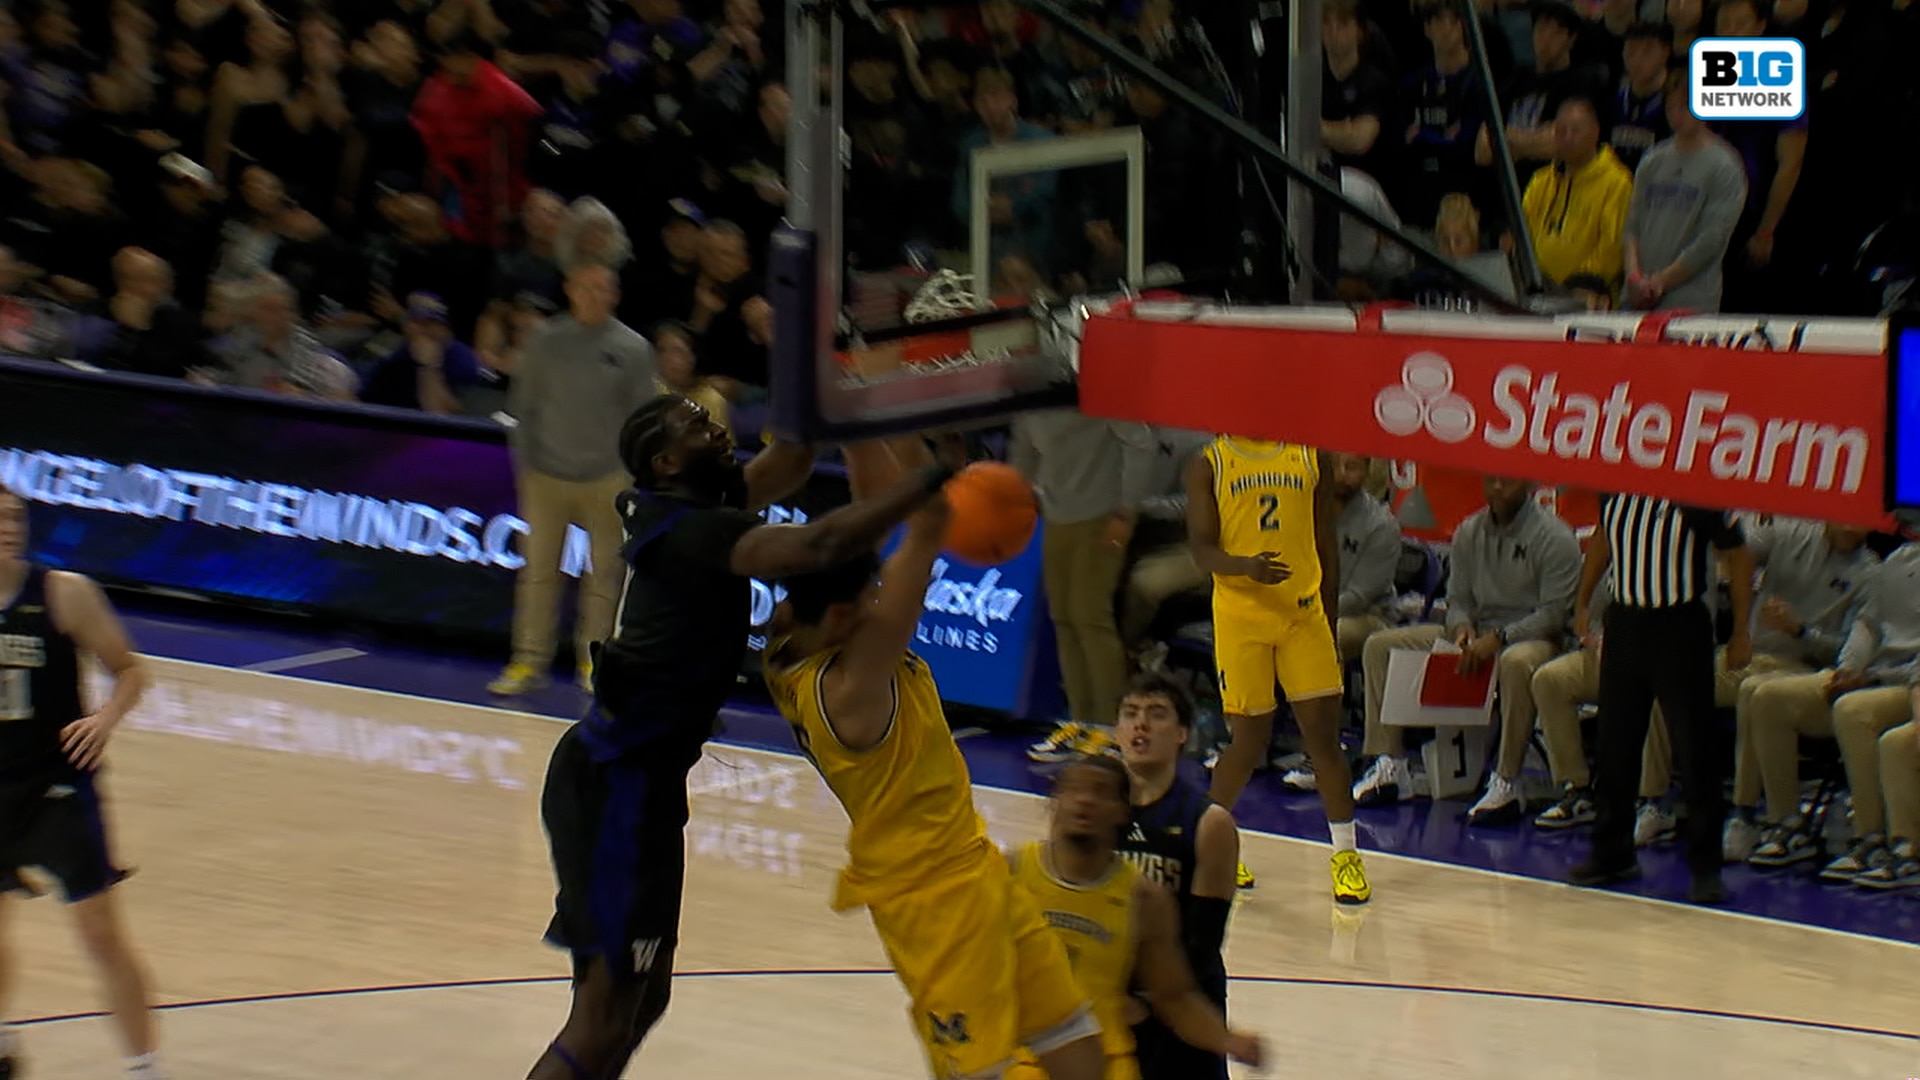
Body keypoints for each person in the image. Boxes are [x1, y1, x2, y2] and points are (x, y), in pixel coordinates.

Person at [526, 396, 957, 1080]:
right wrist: (930, 478)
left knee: (643, 1000)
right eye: (697, 426)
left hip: (643, 785)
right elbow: (817, 545)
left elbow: (790, 460)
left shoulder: (695, 497)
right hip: (617, 785)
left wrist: (816, 379)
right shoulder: (689, 531)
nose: (716, 429)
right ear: (665, 460)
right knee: (606, 1014)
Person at [763, 435, 1107, 1080]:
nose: (879, 597)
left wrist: (858, 422)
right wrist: (923, 441)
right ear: (843, 614)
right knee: (976, 1069)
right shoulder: (854, 682)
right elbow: (923, 532)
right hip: (930, 899)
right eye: (870, 593)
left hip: (969, 865)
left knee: (1070, 1029)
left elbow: (878, 516)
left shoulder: (791, 629)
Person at [0, 484, 167, 1080]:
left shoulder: (64, 594)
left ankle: (145, 1066)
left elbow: (129, 669)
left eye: (15, 515)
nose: (8, 525)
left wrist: (104, 718)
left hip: (58, 786)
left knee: (99, 933)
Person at [1186, 435, 1367, 900]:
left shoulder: (1312, 454)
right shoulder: (1210, 463)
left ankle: (1346, 856)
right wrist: (1246, 566)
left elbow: (1325, 540)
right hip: (1241, 617)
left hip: (1302, 615)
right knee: (1247, 742)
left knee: (1323, 740)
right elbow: (1202, 552)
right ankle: (1209, 847)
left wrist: (1329, 619)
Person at [1005, 755, 1264, 1080]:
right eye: (1074, 789)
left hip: (1103, 1065)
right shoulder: (1011, 873)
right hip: (1020, 1060)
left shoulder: (1144, 898)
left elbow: (1175, 998)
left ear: (1122, 811)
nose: (1085, 799)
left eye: (1101, 791)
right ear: (1055, 802)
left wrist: (1228, 1040)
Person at [1570, 494, 1753, 905]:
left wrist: (1741, 630)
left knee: (1694, 751)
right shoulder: (1615, 489)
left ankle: (1706, 867)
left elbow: (1738, 555)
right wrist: (1583, 600)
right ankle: (1611, 853)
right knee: (1615, 743)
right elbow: (1603, 537)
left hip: (1679, 625)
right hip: (1625, 620)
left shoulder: (1694, 494)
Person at [491, 264, 657, 697]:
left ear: (615, 295)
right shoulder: (545, 341)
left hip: (608, 477)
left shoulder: (633, 348)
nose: (597, 295)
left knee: (605, 575)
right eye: (588, 286)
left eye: (605, 288)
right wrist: (525, 467)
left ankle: (593, 662)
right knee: (538, 573)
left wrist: (630, 475)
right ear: (570, 290)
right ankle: (527, 661)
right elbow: (522, 408)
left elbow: (643, 419)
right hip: (545, 475)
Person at [1114, 673, 1242, 1080]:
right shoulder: (1093, 813)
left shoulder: (1209, 823)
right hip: (1109, 1003)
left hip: (1182, 1007)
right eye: (1130, 714)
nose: (1141, 725)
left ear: (1183, 734)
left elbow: (1202, 943)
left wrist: (1151, 1001)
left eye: (1157, 715)